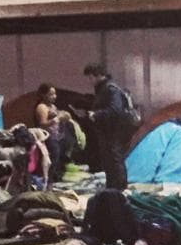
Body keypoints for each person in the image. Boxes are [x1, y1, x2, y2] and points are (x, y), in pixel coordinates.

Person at [82, 62, 134, 190]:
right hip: (106, 131)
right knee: (109, 161)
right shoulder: (103, 89)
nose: (89, 81)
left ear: (98, 75)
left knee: (114, 160)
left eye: (90, 77)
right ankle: (112, 187)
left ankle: (120, 188)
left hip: (113, 131)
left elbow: (115, 110)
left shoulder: (110, 89)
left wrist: (96, 114)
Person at [33, 83, 75, 183]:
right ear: (43, 95)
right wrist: (57, 119)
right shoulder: (42, 107)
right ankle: (48, 181)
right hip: (49, 138)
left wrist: (65, 116)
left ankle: (56, 178)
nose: (54, 97)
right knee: (53, 160)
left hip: (58, 137)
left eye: (54, 94)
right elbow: (42, 124)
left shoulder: (52, 106)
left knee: (59, 159)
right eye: (51, 94)